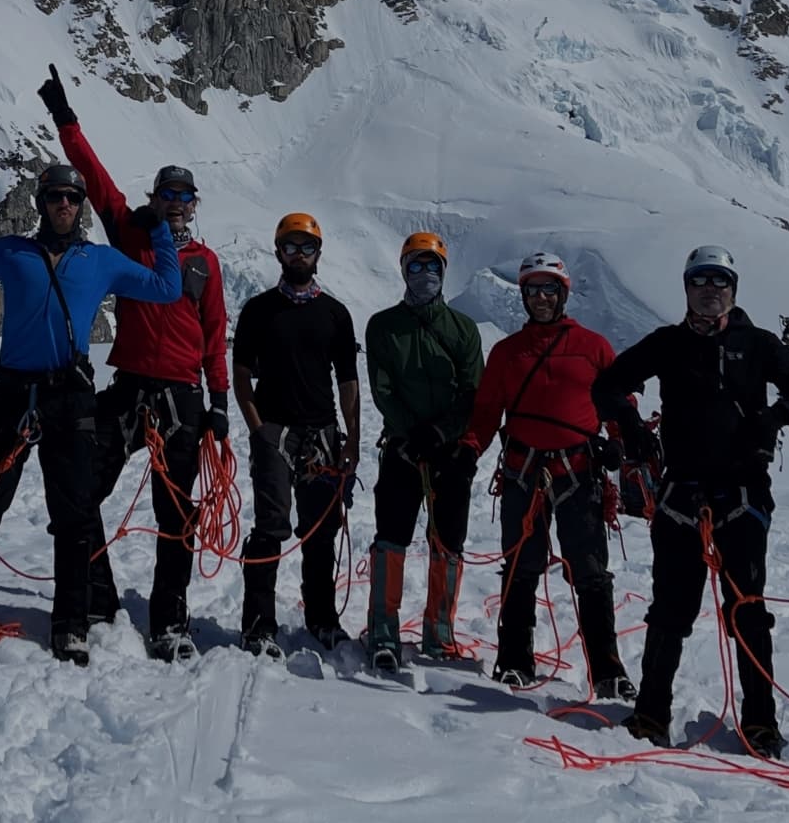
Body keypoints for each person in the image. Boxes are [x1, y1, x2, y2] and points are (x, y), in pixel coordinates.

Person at [0, 163, 182, 663]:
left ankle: (70, 624)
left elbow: (168, 287)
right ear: (42, 203)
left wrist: (160, 230)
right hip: (13, 393)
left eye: (73, 199)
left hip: (71, 396)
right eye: (56, 197)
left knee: (74, 516)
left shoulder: (100, 260)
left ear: (80, 206)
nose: (65, 205)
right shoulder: (13, 251)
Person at [37, 65, 231, 663]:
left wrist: (220, 402)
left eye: (183, 196)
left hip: (180, 396)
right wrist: (65, 121)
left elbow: (215, 335)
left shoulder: (204, 264)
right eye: (166, 195)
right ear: (154, 200)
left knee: (176, 512)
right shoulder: (132, 238)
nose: (174, 204)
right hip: (129, 387)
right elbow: (94, 183)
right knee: (79, 487)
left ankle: (171, 619)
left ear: (193, 205)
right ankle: (97, 595)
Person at [605, 245, 789, 753]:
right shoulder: (667, 343)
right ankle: (651, 713)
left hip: (741, 493)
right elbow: (610, 384)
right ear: (687, 288)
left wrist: (774, 417)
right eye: (700, 281)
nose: (710, 289)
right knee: (670, 610)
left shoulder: (761, 345)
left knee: (747, 609)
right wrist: (632, 426)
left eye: (719, 281)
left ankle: (761, 722)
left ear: (733, 289)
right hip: (683, 492)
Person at [458, 252, 639, 695]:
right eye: (533, 290)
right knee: (521, 566)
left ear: (563, 294)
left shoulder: (593, 347)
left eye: (548, 290)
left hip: (578, 471)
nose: (540, 298)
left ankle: (608, 670)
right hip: (525, 471)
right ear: (523, 296)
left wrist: (620, 440)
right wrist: (469, 450)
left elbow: (621, 404)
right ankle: (514, 660)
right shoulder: (506, 353)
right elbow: (485, 414)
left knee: (591, 570)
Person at [233, 214, 362, 656]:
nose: (299, 255)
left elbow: (348, 381)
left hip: (322, 435)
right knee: (270, 528)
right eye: (291, 246)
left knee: (321, 530)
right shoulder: (258, 311)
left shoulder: (335, 315)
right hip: (276, 432)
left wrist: (352, 439)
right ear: (278, 252)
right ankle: (257, 625)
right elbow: (241, 373)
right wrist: (258, 431)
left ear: (318, 254)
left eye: (307, 247)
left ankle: (322, 618)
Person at [362, 231, 483, 671]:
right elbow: (383, 388)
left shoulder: (463, 330)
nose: (425, 274)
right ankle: (382, 628)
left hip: (448, 452)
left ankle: (439, 631)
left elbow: (474, 393)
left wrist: (441, 433)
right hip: (402, 449)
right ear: (404, 271)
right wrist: (412, 435)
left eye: (432, 266)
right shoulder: (382, 326)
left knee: (448, 542)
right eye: (416, 266)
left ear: (443, 272)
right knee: (391, 537)